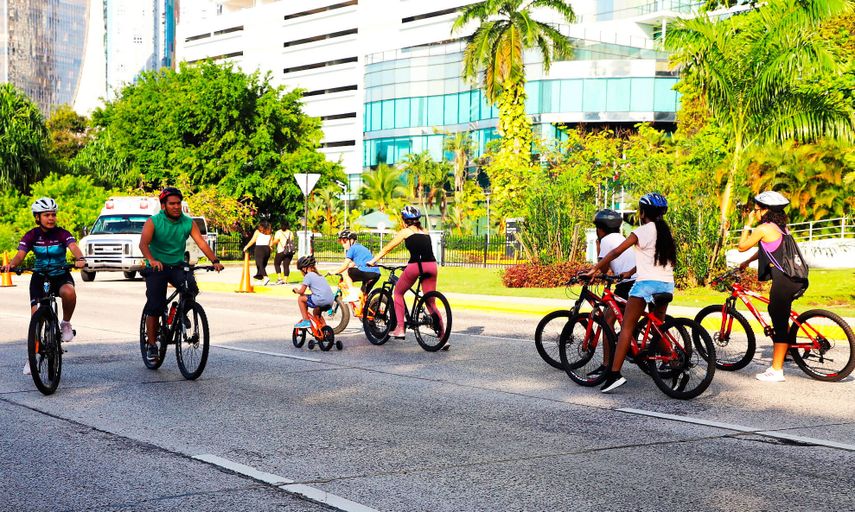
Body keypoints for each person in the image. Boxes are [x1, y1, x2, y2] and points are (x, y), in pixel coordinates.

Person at [583, 193, 677, 393]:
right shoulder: (666, 232)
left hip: (646, 286)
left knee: (626, 327)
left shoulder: (641, 231)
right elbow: (655, 260)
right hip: (667, 285)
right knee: (656, 326)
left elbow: (616, 252)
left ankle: (614, 374)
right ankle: (674, 359)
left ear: (643, 212)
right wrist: (630, 272)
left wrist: (594, 269)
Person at [2, 198, 87, 375]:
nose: (51, 218)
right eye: (46, 215)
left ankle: (65, 323)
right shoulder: (31, 235)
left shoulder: (62, 233)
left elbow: (73, 247)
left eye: (53, 215)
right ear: (37, 217)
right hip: (40, 277)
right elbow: (20, 255)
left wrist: (80, 259)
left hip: (60, 274)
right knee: (36, 317)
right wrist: (11, 265)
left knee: (69, 292)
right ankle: (32, 356)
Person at [139, 187, 223, 363]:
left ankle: (182, 311)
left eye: (178, 203)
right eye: (172, 204)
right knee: (155, 304)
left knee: (191, 288)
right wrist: (152, 260)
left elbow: (201, 242)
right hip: (157, 266)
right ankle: (152, 345)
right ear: (164, 206)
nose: (176, 206)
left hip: (177, 264)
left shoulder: (188, 223)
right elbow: (143, 244)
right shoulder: (153, 222)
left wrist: (214, 260)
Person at [736, 190, 808, 382]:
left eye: (757, 209)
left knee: (779, 323)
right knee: (776, 312)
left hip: (783, 281)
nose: (755, 212)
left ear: (765, 210)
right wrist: (747, 262)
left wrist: (747, 224)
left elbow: (742, 246)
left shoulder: (763, 228)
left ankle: (776, 370)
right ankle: (787, 350)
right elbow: (767, 250)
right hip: (796, 278)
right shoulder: (782, 228)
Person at [368, 206, 446, 347]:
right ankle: (443, 337)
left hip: (416, 266)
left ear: (405, 220)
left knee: (398, 292)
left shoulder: (405, 232)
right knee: (430, 301)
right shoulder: (425, 231)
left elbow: (387, 248)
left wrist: (372, 261)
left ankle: (400, 329)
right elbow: (423, 250)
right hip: (432, 266)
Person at [586, 208, 638, 379]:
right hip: (638, 279)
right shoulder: (620, 237)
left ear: (600, 229)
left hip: (627, 283)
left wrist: (598, 246)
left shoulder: (606, 240)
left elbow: (603, 267)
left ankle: (607, 365)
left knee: (607, 321)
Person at [332, 229, 380, 302]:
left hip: (366, 272)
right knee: (363, 295)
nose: (343, 244)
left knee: (345, 273)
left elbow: (345, 265)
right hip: (376, 274)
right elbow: (355, 262)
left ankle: (352, 294)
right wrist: (350, 265)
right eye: (341, 242)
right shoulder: (361, 247)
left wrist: (334, 271)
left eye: (345, 241)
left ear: (351, 240)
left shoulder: (352, 248)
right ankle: (365, 310)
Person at [292, 255, 335, 328]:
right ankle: (324, 329)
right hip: (330, 301)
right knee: (316, 313)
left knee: (301, 298)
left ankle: (306, 321)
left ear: (304, 269)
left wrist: (296, 290)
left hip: (320, 300)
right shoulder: (319, 275)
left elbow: (302, 292)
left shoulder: (308, 276)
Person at [243, 220, 273, 285]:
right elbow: (271, 244)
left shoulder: (257, 232)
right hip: (267, 249)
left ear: (262, 226)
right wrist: (270, 250)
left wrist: (246, 246)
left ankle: (265, 277)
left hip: (259, 248)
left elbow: (253, 240)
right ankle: (259, 279)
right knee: (263, 264)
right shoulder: (270, 233)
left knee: (259, 263)